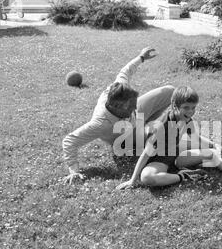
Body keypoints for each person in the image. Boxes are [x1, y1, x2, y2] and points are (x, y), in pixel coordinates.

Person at [116, 86, 222, 190]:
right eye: (186, 108)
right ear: (174, 107)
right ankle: (184, 176)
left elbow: (196, 137)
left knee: (212, 153)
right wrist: (132, 180)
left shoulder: (186, 119)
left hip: (177, 157)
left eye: (193, 108)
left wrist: (215, 145)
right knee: (147, 178)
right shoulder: (161, 126)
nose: (190, 112)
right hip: (159, 160)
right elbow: (145, 154)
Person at [62, 47, 175, 184]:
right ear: (116, 106)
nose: (134, 107)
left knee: (170, 91)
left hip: (131, 119)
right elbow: (69, 141)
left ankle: (147, 124)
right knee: (161, 132)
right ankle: (148, 130)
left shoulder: (118, 87)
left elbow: (125, 71)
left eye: (134, 103)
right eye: (130, 106)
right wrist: (74, 170)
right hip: (125, 136)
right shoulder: (101, 123)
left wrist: (141, 57)